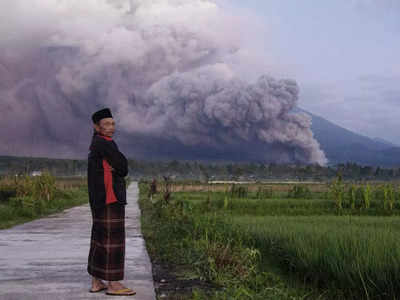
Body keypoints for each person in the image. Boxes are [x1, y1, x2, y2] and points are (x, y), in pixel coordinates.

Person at [87, 108, 136, 296]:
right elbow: (123, 167)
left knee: (100, 239)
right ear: (96, 126)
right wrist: (119, 167)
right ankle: (114, 284)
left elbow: (118, 166)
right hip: (110, 199)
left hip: (100, 200)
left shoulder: (96, 144)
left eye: (113, 124)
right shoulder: (104, 143)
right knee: (112, 241)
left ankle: (96, 281)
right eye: (106, 124)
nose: (111, 127)